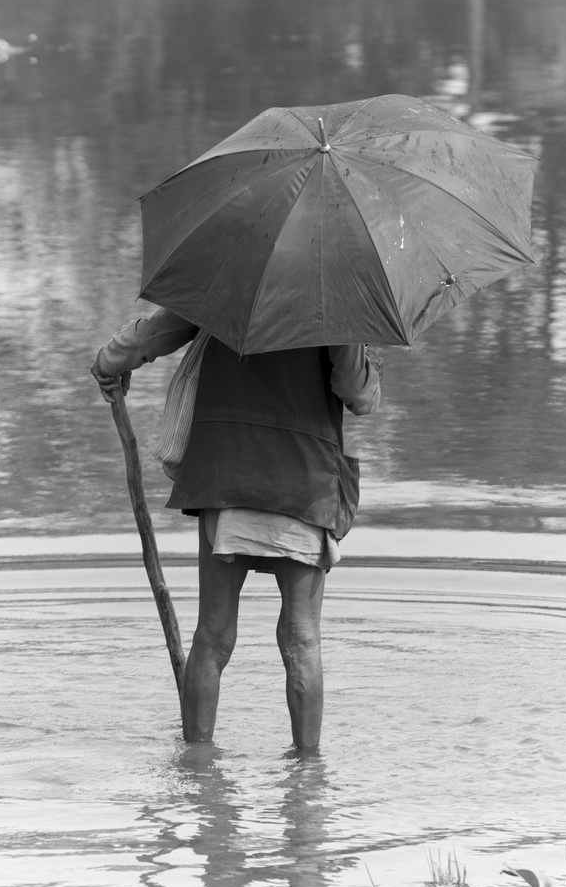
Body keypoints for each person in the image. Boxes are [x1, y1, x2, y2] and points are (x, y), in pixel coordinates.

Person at [92, 308, 380, 751]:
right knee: (302, 640)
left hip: (226, 470)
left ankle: (198, 764)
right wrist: (369, 364)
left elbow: (162, 328)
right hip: (303, 481)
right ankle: (306, 781)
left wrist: (111, 361)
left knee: (213, 636)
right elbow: (357, 395)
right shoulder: (332, 296)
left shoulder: (226, 271)